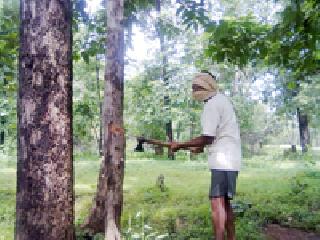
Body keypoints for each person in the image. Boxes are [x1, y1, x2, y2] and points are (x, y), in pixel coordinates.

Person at [169, 71, 241, 240]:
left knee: (217, 203)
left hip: (222, 160)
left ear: (208, 85)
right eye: (193, 87)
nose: (195, 91)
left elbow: (208, 137)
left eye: (197, 87)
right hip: (231, 158)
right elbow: (216, 135)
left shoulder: (212, 104)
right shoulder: (222, 100)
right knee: (225, 203)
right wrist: (198, 147)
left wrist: (180, 145)